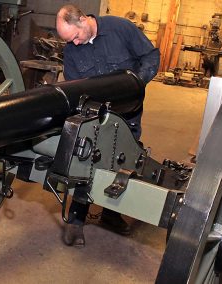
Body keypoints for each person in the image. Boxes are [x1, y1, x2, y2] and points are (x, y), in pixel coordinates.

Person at [56, 4, 160, 248]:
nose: (76, 44)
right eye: (70, 41)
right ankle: (76, 220)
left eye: (76, 37)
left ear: (83, 19)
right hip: (96, 114)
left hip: (128, 111)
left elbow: (150, 56)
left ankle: (112, 214)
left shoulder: (120, 29)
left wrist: (138, 83)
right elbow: (75, 86)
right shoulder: (72, 50)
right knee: (88, 161)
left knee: (125, 163)